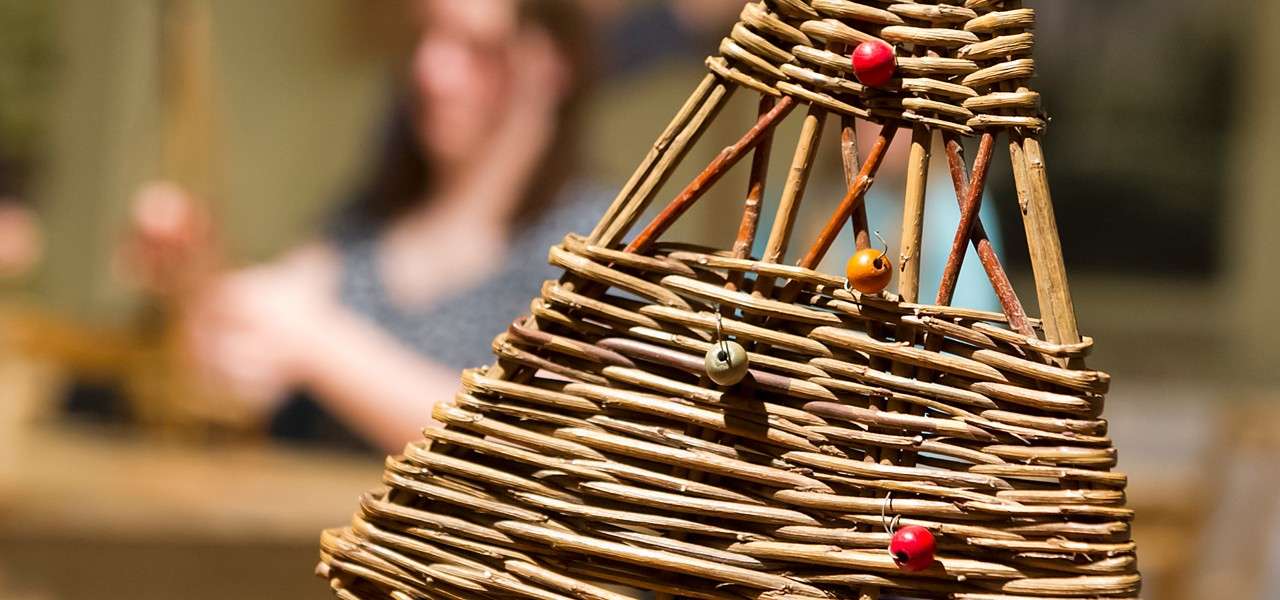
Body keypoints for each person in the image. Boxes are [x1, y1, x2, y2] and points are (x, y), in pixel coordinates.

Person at [127, 0, 598, 453]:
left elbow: (524, 437)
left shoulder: (588, 240)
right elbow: (263, 332)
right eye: (426, 35)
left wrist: (317, 343)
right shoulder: (368, 224)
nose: (430, 70)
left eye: (477, 45)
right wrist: (195, 280)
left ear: (549, 65)